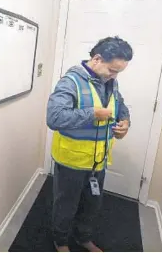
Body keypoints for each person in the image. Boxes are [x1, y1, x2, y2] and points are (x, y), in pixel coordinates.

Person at [47, 36, 133, 252]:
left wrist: (125, 121)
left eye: (118, 72)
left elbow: (120, 104)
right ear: (97, 59)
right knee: (66, 206)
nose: (115, 76)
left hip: (98, 161)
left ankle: (83, 238)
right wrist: (93, 114)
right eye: (113, 70)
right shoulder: (70, 82)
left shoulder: (110, 81)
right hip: (71, 162)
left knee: (91, 205)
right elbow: (54, 118)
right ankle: (61, 241)